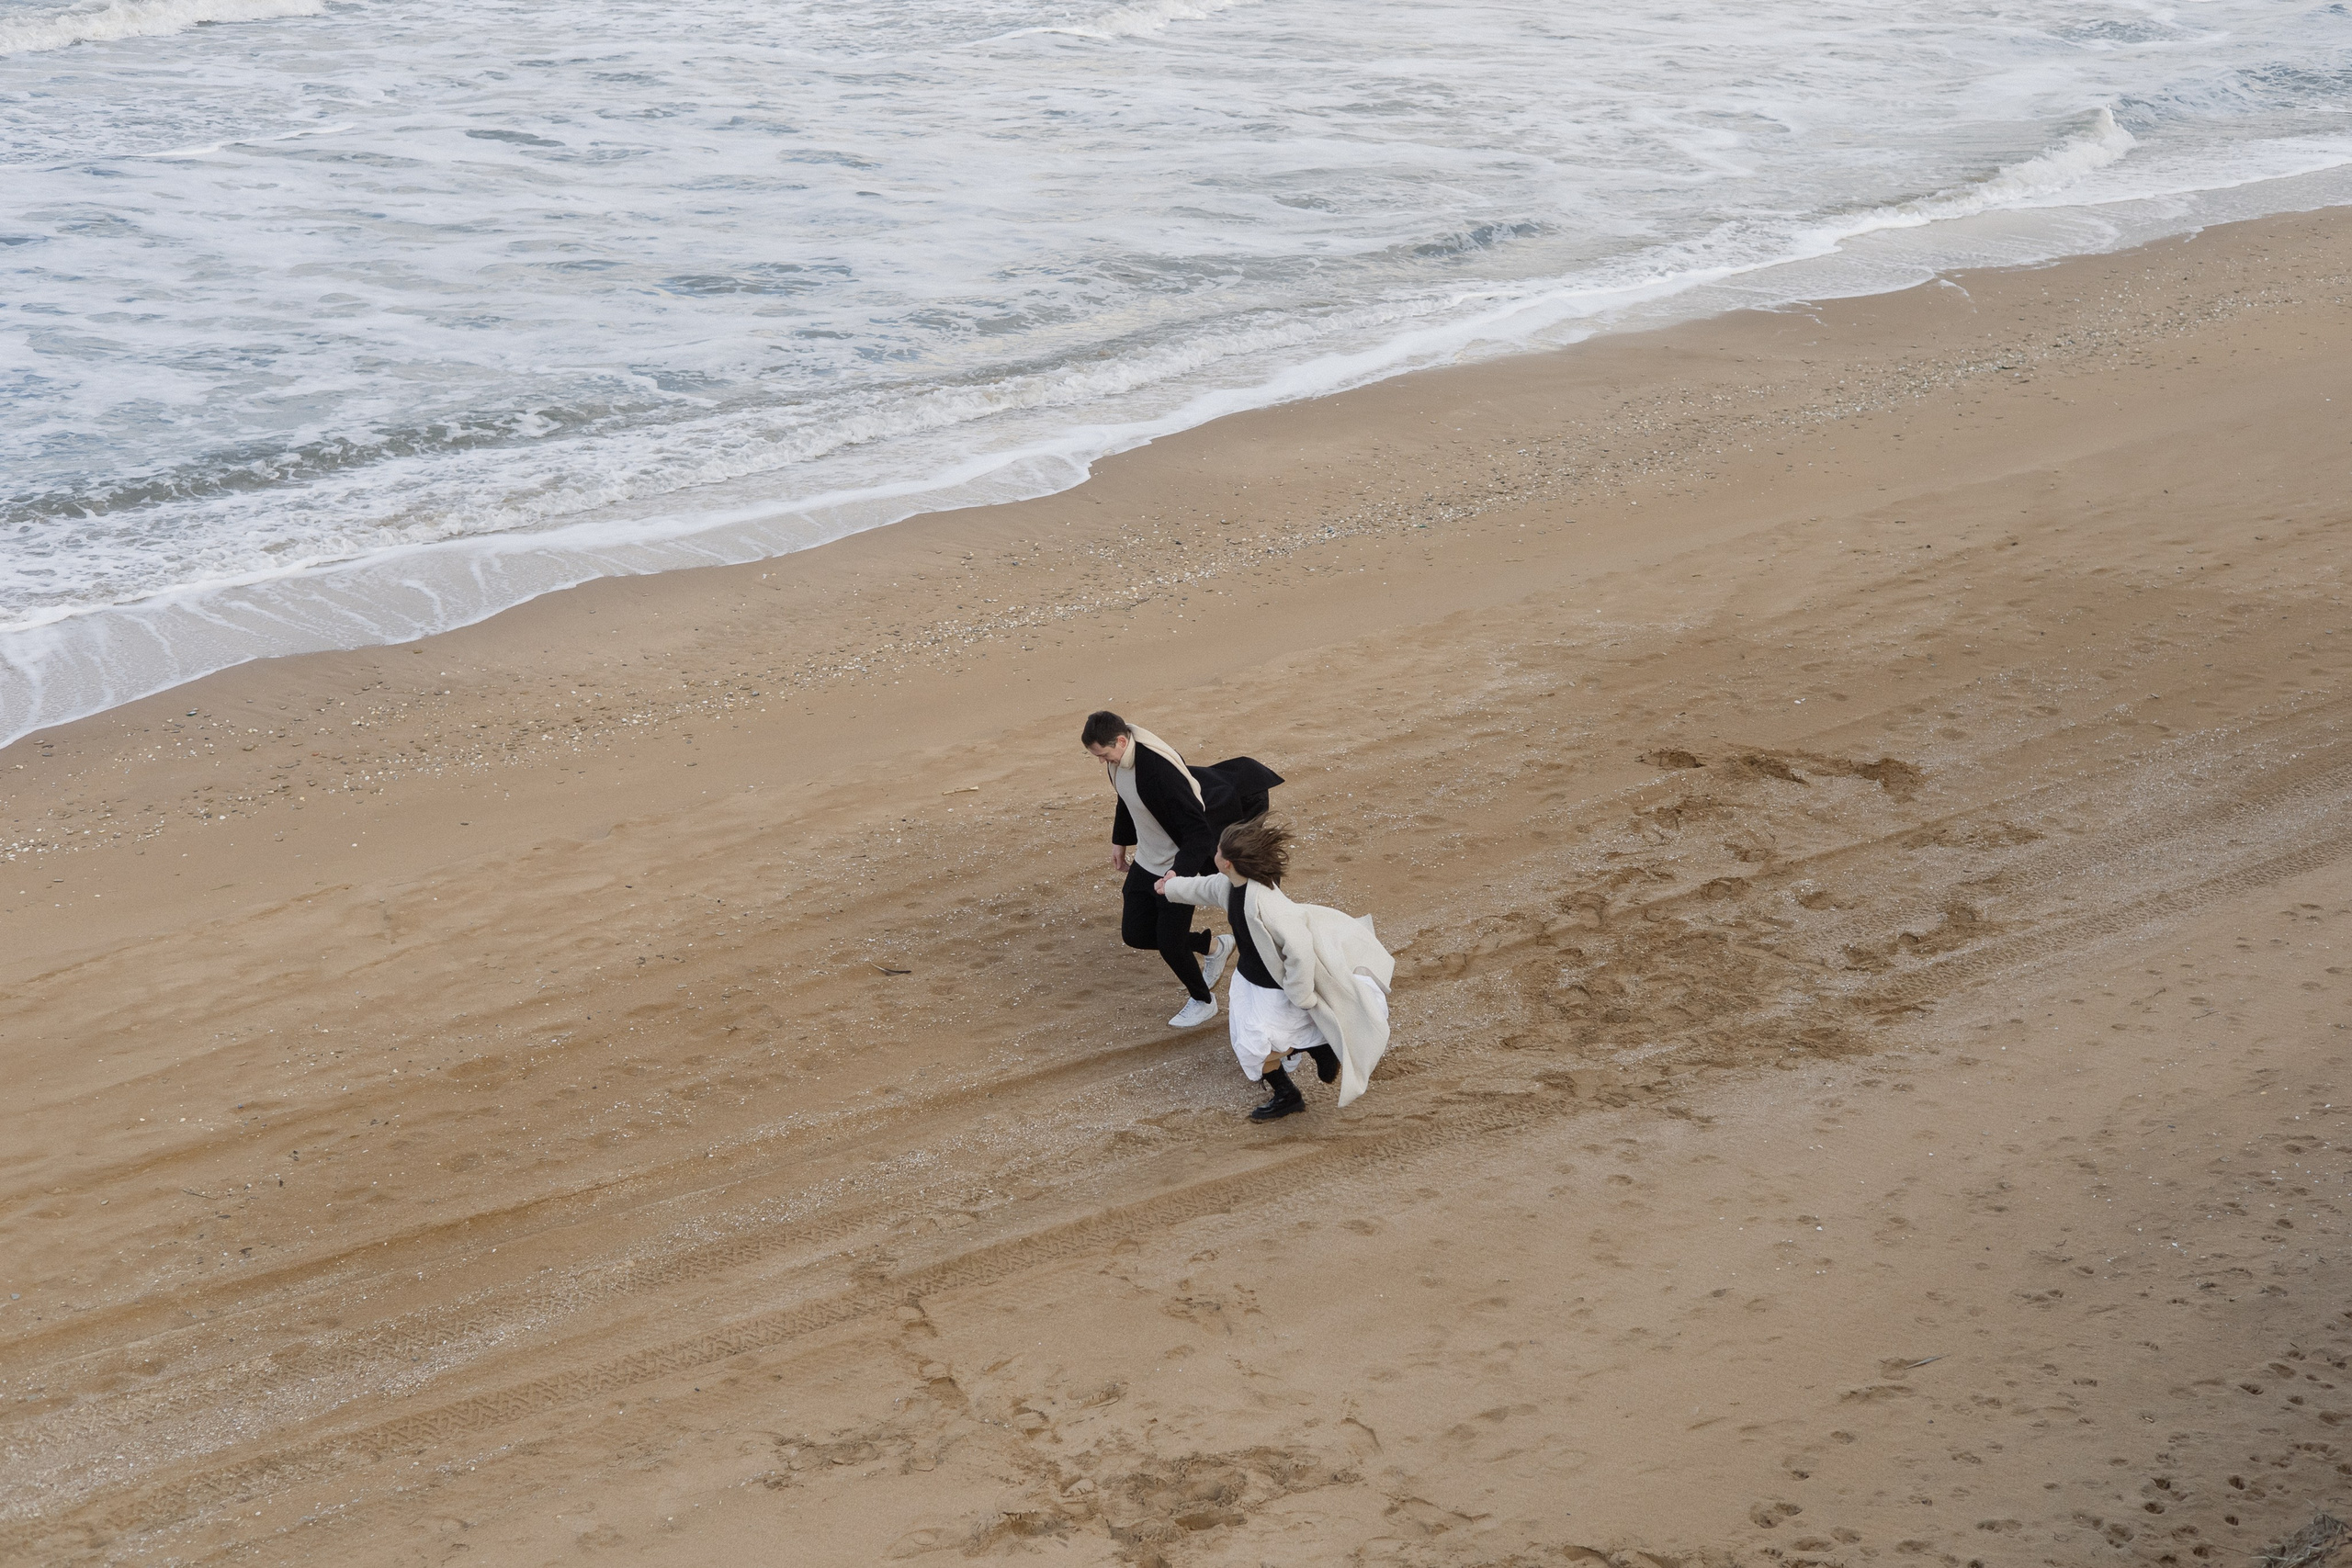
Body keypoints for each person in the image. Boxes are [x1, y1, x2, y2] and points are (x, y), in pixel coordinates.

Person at [1157, 817, 1396, 1122]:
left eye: (1218, 849)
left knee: (1254, 1045)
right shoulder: (1230, 884)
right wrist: (1171, 887)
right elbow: (1203, 887)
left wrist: (1301, 994)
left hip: (1278, 989)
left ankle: (1300, 1075)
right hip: (1251, 980)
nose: (1213, 851)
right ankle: (1302, 1071)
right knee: (1254, 1042)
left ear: (1228, 863)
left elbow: (1300, 949)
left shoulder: (1269, 904)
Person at [1082, 710, 1236, 1029]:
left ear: (1121, 741)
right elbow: (1126, 798)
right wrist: (1120, 842)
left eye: (1104, 754)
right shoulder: (1119, 762)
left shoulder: (1159, 771)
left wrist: (1178, 875)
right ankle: (1214, 947)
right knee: (1135, 933)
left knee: (1170, 943)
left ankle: (1203, 1001)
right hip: (1147, 860)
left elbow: (1198, 831)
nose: (1101, 761)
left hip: (1176, 866)